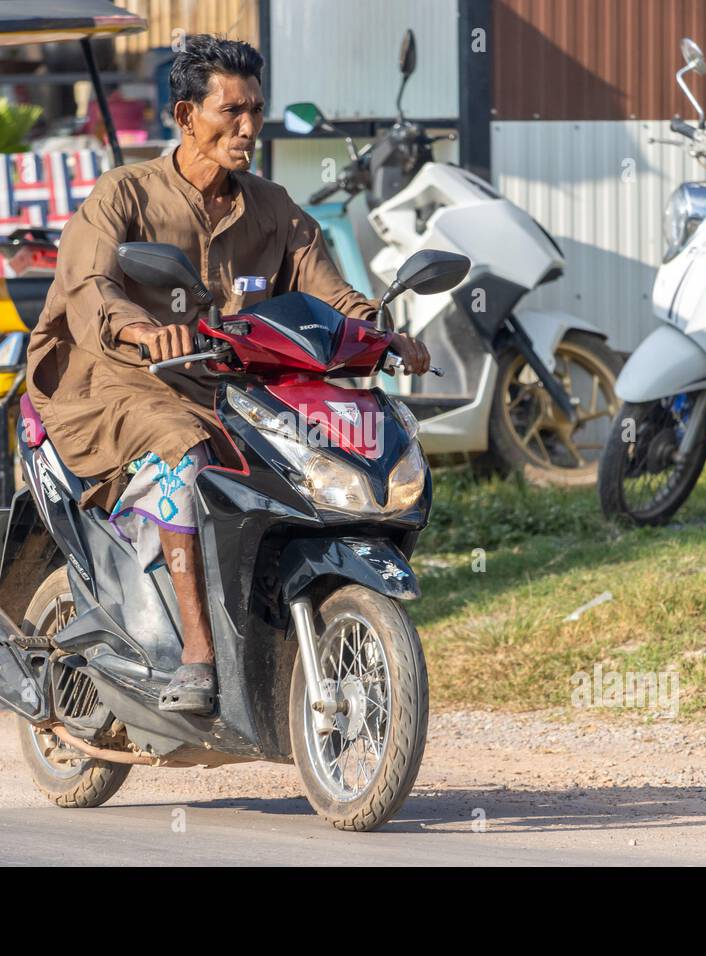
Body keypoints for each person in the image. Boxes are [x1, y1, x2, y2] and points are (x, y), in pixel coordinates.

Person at [25, 34, 430, 715]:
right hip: (114, 379)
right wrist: (145, 329)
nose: (247, 127)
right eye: (231, 111)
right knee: (186, 452)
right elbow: (90, 286)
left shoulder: (270, 205)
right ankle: (196, 655)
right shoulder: (124, 194)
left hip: (226, 385)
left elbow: (330, 290)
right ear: (187, 117)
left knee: (311, 455)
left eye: (256, 110)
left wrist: (384, 335)